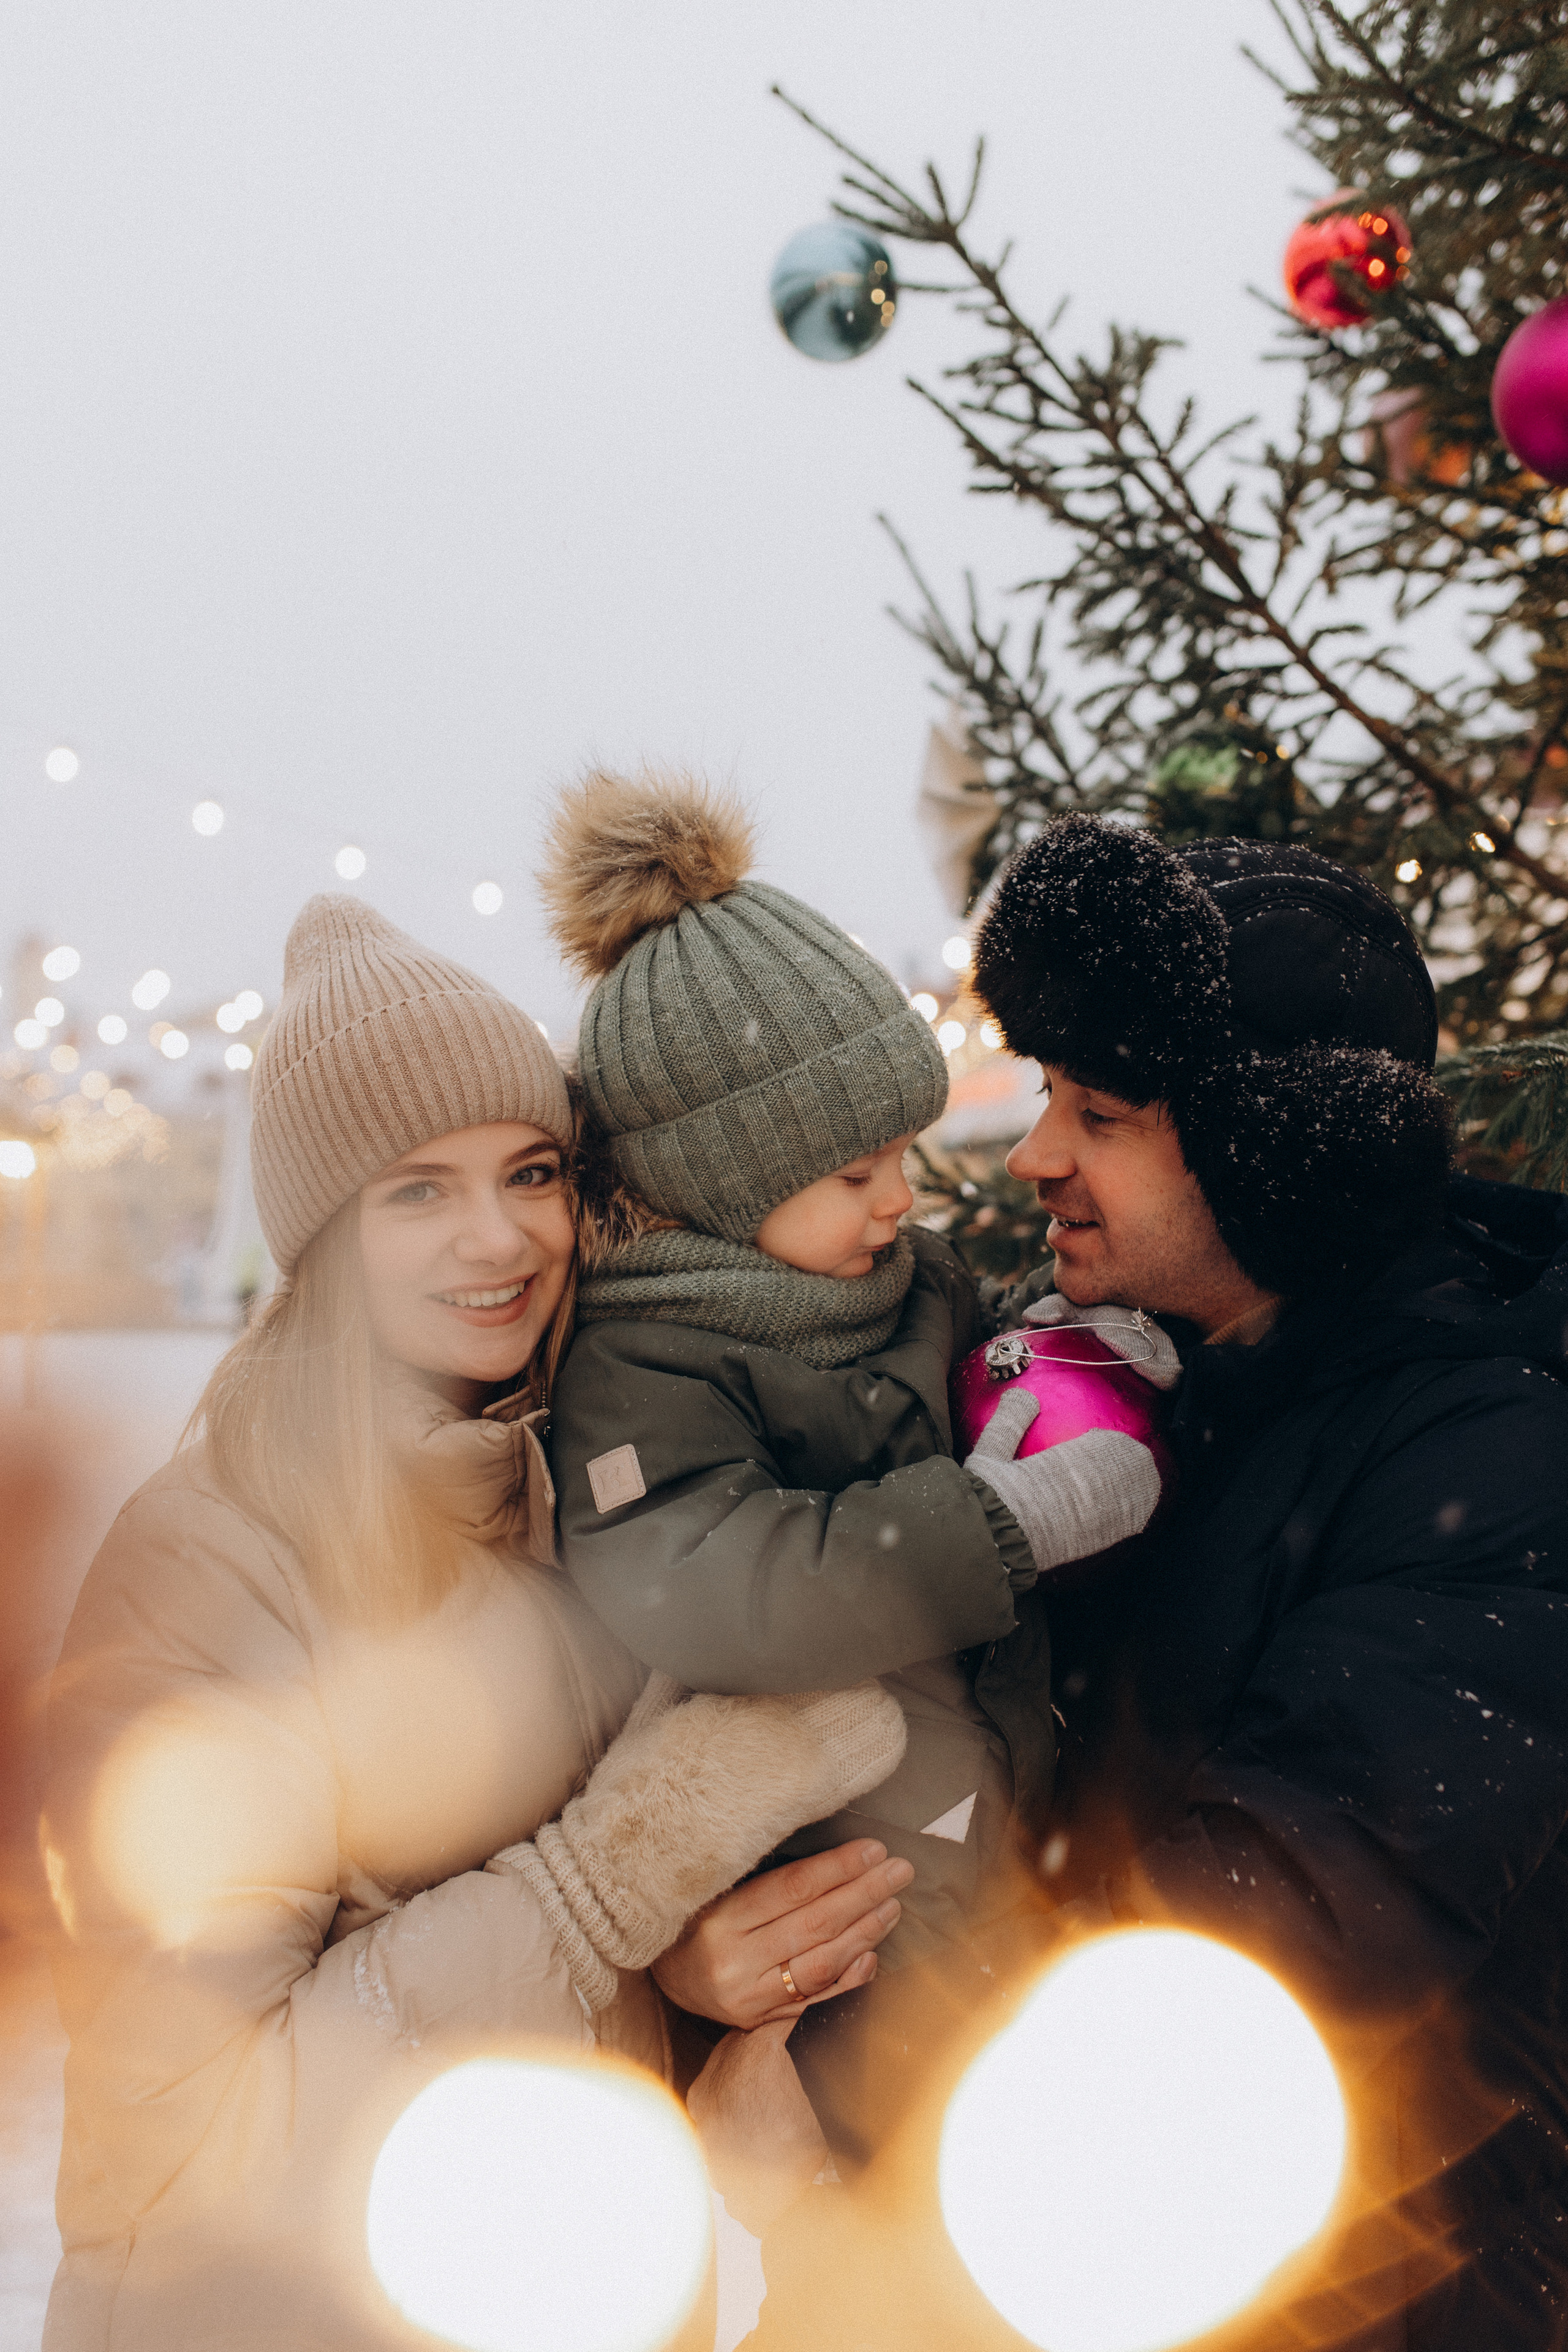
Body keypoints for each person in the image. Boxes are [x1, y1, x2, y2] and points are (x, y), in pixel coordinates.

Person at [39, 895, 911, 2352]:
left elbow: (593, 1996)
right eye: (417, 1193)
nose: (499, 1237)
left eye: (529, 1172)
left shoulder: (590, 1504)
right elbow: (199, 2139)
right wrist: (600, 1890)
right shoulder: (208, 1560)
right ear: (324, 1238)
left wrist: (686, 1968)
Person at [962, 818, 1568, 2351]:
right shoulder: (1156, 1385)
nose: (1036, 1157)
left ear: (1277, 1145)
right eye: (1044, 1095)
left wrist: (860, 2052)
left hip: (1364, 2294)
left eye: (1097, 1113)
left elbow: (1282, 1934)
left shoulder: (1496, 1450)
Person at [537, 772, 1170, 2163]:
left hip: (1004, 1841)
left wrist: (1067, 1358)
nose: (898, 1197)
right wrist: (991, 1522)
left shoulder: (899, 1277)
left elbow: (982, 1356)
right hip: (849, 1920)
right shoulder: (650, 1365)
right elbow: (708, 1585)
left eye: (898, 1155)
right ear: (718, 1179)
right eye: (847, 1174)